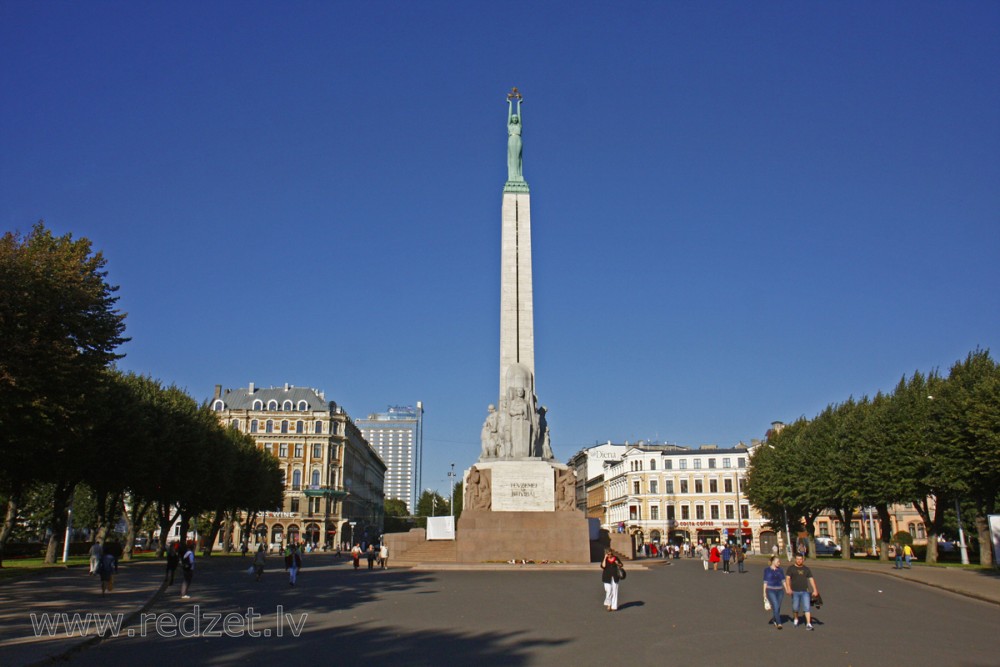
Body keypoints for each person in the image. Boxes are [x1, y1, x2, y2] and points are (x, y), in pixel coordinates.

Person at [785, 553, 820, 630]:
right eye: (797, 559)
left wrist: (815, 590)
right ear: (795, 559)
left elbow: (811, 579)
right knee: (795, 607)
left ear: (803, 560)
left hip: (805, 591)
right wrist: (788, 588)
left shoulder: (806, 569)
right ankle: (796, 618)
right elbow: (787, 579)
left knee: (807, 607)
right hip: (795, 591)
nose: (799, 561)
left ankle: (808, 623)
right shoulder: (791, 568)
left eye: (800, 559)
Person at [762, 555, 786, 629]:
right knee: (775, 605)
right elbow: (765, 582)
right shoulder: (767, 570)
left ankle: (775, 618)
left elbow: (783, 580)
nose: (779, 563)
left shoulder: (780, 570)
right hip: (770, 590)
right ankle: (779, 623)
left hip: (780, 590)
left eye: (779, 561)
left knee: (778, 607)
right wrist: (764, 592)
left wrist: (787, 589)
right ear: (773, 562)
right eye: (778, 561)